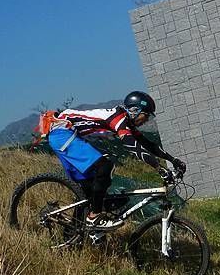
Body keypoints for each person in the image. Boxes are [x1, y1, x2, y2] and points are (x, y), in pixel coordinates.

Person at [46, 91, 186, 230]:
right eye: (146, 115)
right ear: (135, 111)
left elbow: (147, 144)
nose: (146, 120)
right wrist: (159, 168)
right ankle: (94, 217)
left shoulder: (125, 122)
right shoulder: (117, 118)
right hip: (62, 133)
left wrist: (173, 160)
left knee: (89, 193)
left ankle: (73, 233)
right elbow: (133, 147)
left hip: (68, 136)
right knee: (105, 167)